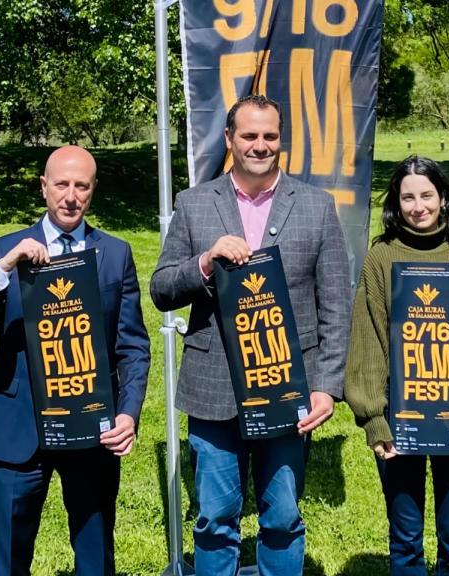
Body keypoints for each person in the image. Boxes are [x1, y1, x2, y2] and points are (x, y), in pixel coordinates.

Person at [150, 94, 351, 575]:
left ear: (281, 139)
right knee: (216, 518)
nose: (260, 146)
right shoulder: (195, 205)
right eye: (249, 136)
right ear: (229, 140)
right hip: (214, 387)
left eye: (270, 136)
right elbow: (160, 288)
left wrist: (326, 386)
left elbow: (337, 306)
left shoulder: (317, 207)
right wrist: (203, 262)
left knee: (282, 516)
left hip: (287, 387)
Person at [0, 145, 150, 576]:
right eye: (61, 184)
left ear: (92, 190)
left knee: (95, 555)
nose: (70, 195)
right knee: (8, 559)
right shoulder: (6, 248)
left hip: (92, 428)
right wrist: (4, 270)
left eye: (81, 186)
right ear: (43, 187)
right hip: (17, 427)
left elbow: (132, 346)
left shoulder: (115, 254)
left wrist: (129, 413)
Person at [344, 156, 449, 576]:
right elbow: (367, 343)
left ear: (442, 198)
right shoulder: (380, 258)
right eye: (408, 197)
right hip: (399, 408)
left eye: (426, 195)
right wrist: (373, 420)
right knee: (405, 538)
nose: (418, 206)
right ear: (396, 203)